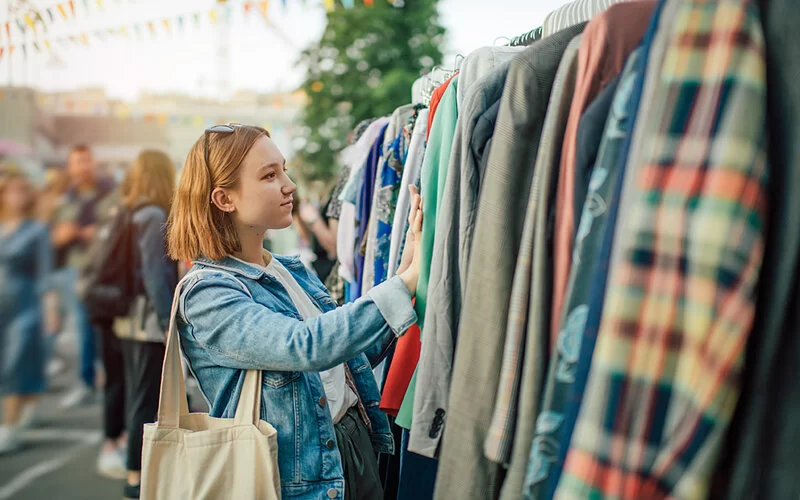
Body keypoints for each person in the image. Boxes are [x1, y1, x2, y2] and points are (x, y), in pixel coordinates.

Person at [165, 124, 423, 500]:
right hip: (296, 481)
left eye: (283, 169)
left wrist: (405, 269)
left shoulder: (289, 270)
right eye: (269, 175)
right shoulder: (207, 293)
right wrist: (405, 284)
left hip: (351, 452)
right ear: (224, 199)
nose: (288, 185)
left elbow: (349, 359)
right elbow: (304, 347)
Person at [50, 145, 124, 476]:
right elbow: (57, 236)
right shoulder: (66, 197)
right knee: (82, 328)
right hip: (75, 271)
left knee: (102, 331)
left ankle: (103, 380)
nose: (82, 166)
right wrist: (64, 235)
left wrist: (84, 232)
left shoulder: (110, 192)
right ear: (70, 164)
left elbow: (113, 226)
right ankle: (86, 380)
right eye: (76, 161)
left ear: (93, 161)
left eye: (86, 160)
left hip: (105, 274)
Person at [114, 150, 178, 500]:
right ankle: (137, 475)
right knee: (145, 395)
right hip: (147, 319)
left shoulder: (133, 210)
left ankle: (135, 469)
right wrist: (168, 320)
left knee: (137, 393)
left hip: (130, 317)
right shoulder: (153, 215)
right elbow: (155, 275)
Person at [0, 167, 60, 453]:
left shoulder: (36, 230)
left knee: (15, 361)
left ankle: (9, 426)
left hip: (24, 305)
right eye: (13, 190)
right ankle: (28, 401)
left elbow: (44, 273)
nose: (18, 196)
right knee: (6, 362)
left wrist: (50, 309)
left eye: (24, 190)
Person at [292, 192, 338, 282]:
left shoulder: (335, 196)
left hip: (330, 272)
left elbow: (334, 250)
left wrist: (314, 219)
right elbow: (307, 239)